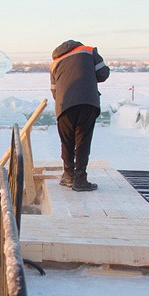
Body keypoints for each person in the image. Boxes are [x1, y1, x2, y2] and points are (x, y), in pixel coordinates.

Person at [50, 39, 110, 191]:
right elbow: (103, 74)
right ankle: (81, 180)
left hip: (64, 106)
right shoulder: (88, 51)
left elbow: (54, 91)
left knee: (67, 142)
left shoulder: (55, 62)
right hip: (87, 102)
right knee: (82, 141)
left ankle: (69, 176)